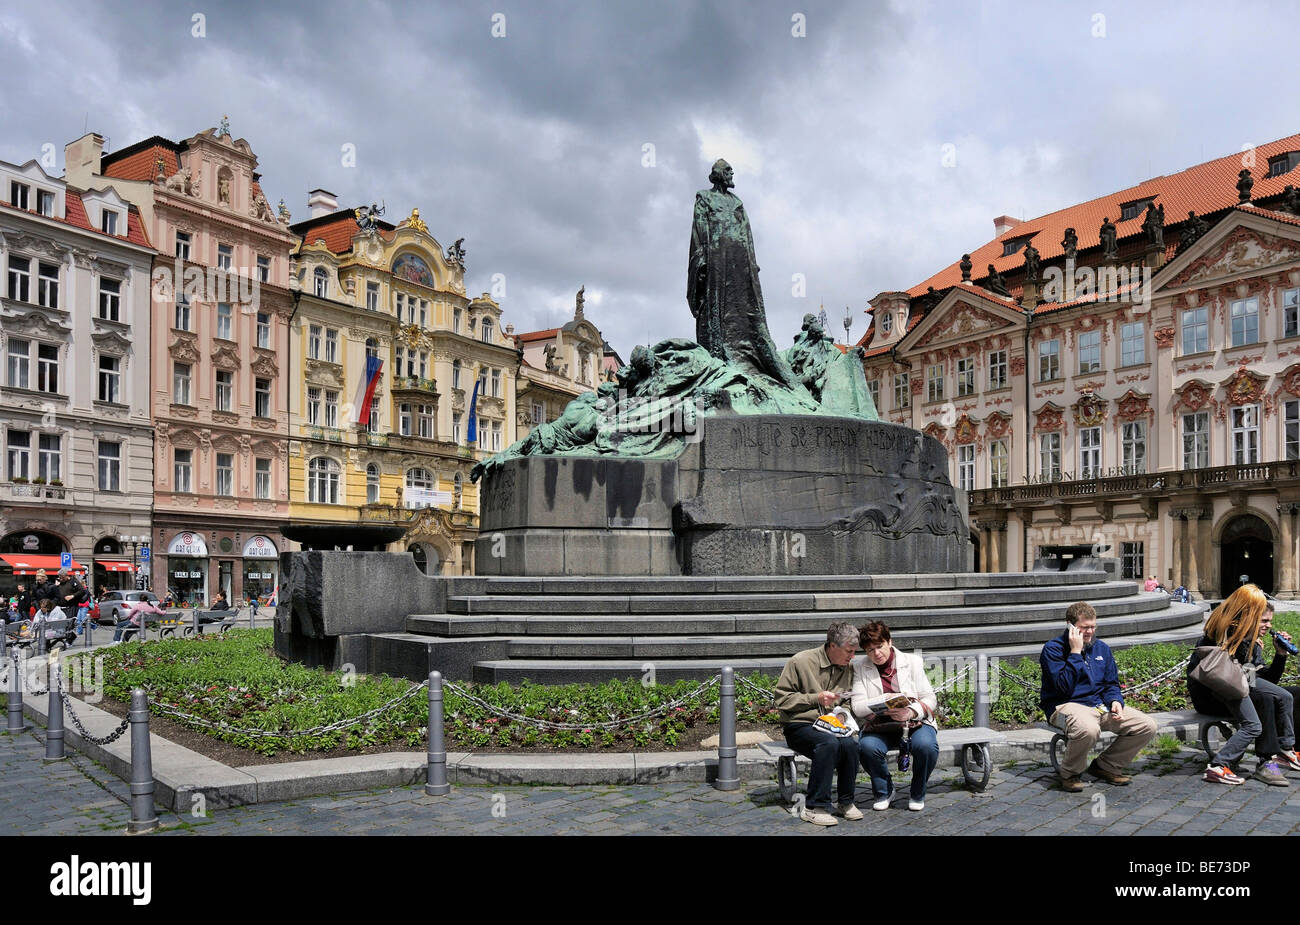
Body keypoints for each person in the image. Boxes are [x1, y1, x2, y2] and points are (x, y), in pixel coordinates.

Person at [1040, 601, 1157, 792]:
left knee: (1146, 725)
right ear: (1070, 626)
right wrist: (1075, 652)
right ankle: (1069, 773)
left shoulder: (1101, 648)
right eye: (1084, 627)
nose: (1090, 632)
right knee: (1088, 729)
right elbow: (1063, 687)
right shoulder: (1053, 650)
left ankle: (1106, 766)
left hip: (1099, 705)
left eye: (1093, 627)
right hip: (1062, 707)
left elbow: (1111, 683)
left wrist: (1115, 701)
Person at [1187, 587, 1300, 785]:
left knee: (1293, 694)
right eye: (1263, 620)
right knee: (1265, 699)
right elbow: (1229, 678)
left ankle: (1287, 750)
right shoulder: (1223, 635)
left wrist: (1280, 655)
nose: (1267, 626)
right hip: (1213, 694)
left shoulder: (1250, 640)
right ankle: (1268, 762)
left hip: (1239, 687)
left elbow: (1262, 680)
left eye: (1269, 621)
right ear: (1248, 616)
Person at [773, 621, 862, 826]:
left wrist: (842, 716)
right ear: (832, 646)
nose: (852, 657)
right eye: (849, 651)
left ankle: (846, 802)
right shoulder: (800, 661)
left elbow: (847, 701)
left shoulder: (847, 667)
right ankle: (815, 807)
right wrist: (815, 698)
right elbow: (782, 700)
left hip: (832, 724)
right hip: (799, 725)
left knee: (850, 744)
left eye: (854, 651)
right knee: (828, 744)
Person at [851, 621, 939, 812]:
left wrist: (911, 711)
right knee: (867, 747)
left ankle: (917, 792)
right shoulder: (859, 667)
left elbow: (930, 698)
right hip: (880, 725)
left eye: (879, 646)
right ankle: (884, 791)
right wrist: (884, 699)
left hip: (914, 722)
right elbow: (857, 707)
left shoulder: (912, 661)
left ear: (889, 642)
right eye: (870, 650)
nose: (876, 654)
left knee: (926, 746)